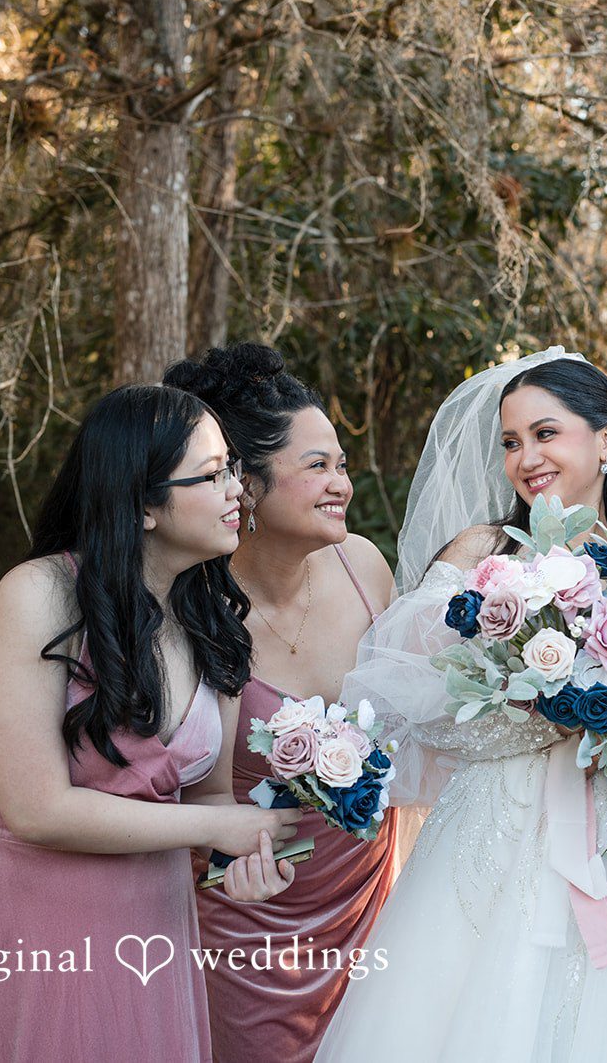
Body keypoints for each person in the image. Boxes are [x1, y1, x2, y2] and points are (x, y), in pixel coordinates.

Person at [313, 351, 607, 1062]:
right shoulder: (481, 554)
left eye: (545, 433)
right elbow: (408, 692)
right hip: (496, 834)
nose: (526, 456)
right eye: (511, 441)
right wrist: (543, 709)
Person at [0, 385, 302, 1063]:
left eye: (233, 469)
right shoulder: (38, 596)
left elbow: (208, 801)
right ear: (143, 502)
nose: (237, 491)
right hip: (40, 924)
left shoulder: (213, 621)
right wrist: (216, 829)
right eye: (212, 474)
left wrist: (238, 860)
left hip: (155, 930)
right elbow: (36, 809)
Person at [164, 343, 400, 1062]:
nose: (343, 484)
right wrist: (223, 865)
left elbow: (409, 744)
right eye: (317, 466)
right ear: (248, 486)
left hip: (375, 904)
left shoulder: (364, 567)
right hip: (246, 916)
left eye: (342, 464)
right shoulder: (190, 610)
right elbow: (165, 791)